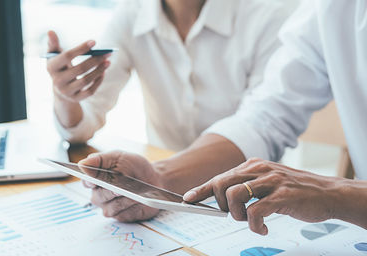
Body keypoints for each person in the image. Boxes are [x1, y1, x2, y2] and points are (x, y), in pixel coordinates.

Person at [79, 0, 367, 234]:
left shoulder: (267, 14)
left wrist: (339, 193)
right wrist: (161, 179)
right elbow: (264, 119)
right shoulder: (330, 9)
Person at [47, 0, 295, 151]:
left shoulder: (266, 19)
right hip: (163, 185)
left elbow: (258, 133)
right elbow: (83, 126)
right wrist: (67, 96)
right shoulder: (132, 15)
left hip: (247, 187)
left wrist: (165, 174)